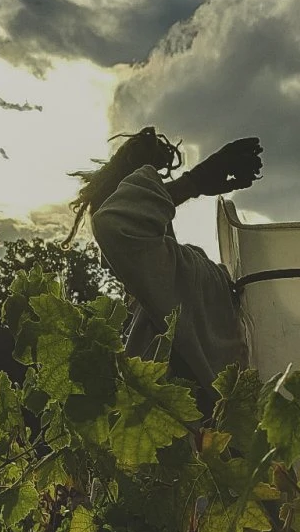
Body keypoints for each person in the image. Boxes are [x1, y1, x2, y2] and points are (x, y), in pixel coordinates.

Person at [64, 125, 263, 416]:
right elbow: (117, 224)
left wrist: (192, 183)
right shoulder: (164, 294)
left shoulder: (183, 273)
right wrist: (193, 184)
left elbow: (118, 224)